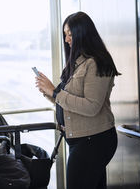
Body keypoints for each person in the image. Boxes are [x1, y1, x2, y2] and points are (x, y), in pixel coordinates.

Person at [35, 11, 120, 189]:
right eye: (65, 34)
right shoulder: (77, 63)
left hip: (94, 141)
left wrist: (55, 92)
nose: (66, 39)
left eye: (70, 34)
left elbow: (91, 106)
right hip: (83, 141)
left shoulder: (95, 63)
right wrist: (49, 93)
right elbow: (70, 101)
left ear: (83, 34)